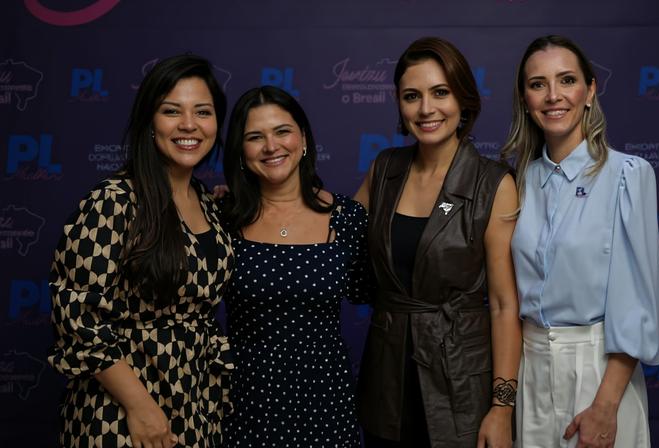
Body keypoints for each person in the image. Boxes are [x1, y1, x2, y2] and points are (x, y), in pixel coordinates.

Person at [48, 54, 234, 448]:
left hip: (195, 399)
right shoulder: (114, 202)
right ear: (150, 121)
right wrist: (141, 407)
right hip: (121, 408)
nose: (189, 125)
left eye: (203, 111)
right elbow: (77, 317)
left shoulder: (207, 201)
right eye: (172, 111)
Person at [501, 35, 659, 448]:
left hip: (598, 373)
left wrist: (605, 405)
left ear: (590, 90)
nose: (553, 96)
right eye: (538, 84)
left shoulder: (627, 175)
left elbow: (635, 304)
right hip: (531, 370)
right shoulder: (514, 182)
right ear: (525, 99)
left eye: (567, 80)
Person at [354, 37, 521, 448]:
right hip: (387, 380)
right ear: (399, 104)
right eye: (412, 96)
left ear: (463, 99)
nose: (426, 109)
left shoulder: (494, 183)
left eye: (440, 92)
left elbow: (503, 305)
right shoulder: (385, 168)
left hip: (460, 383)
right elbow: (330, 231)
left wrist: (502, 408)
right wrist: (256, 202)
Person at [220, 85, 370, 447]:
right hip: (245, 403)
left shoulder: (347, 218)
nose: (271, 147)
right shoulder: (220, 217)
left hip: (326, 405)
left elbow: (371, 292)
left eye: (282, 131)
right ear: (241, 151)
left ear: (303, 138)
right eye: (255, 137)